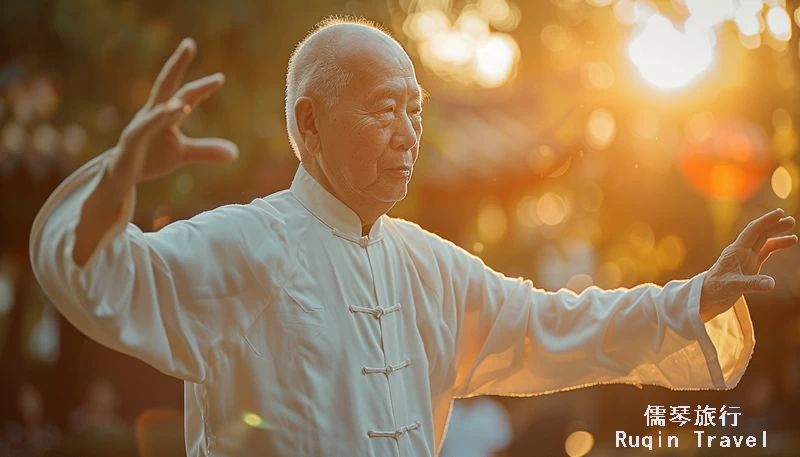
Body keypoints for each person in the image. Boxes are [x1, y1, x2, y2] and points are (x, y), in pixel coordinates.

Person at [28, 16, 796, 457]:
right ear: (310, 123)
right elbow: (102, 274)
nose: (408, 133)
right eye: (383, 108)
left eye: (416, 111)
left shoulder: (431, 264)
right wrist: (115, 181)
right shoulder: (245, 244)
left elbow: (552, 321)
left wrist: (695, 295)